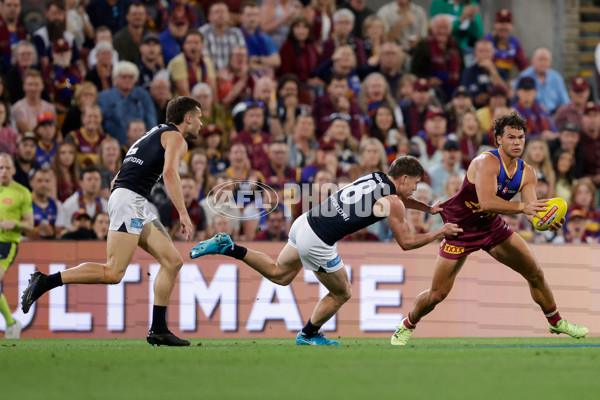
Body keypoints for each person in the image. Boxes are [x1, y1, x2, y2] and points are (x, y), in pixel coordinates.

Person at [190, 155, 462, 345]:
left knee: (279, 274)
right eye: (414, 183)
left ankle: (229, 246)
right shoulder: (394, 201)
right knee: (343, 291)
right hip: (319, 240)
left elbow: (398, 201)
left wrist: (427, 209)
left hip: (305, 222)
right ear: (404, 178)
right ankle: (308, 335)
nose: (416, 189)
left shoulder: (375, 177)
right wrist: (440, 232)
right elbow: (406, 243)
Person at [390, 112, 589, 346]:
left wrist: (546, 221)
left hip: (491, 227)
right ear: (498, 140)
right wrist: (525, 207)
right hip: (459, 229)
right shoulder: (485, 162)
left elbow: (531, 212)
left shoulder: (529, 173)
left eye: (521, 138)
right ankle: (406, 325)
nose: (517, 143)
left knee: (535, 272)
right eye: (511, 137)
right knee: (437, 294)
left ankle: (555, 321)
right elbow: (487, 202)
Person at [22, 96, 204, 346]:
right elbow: (170, 172)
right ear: (188, 118)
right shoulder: (176, 138)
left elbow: (118, 175)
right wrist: (183, 213)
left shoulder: (151, 134)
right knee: (113, 272)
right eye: (199, 117)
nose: (201, 124)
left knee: (172, 261)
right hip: (130, 200)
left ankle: (158, 329)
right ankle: (45, 281)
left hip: (132, 200)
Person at [0, 153, 33, 338]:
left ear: (13, 170)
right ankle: (12, 324)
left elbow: (30, 224)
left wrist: (15, 224)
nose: (3, 171)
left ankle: (11, 323)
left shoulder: (22, 193)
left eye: (7, 168)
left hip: (5, 244)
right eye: (0, 168)